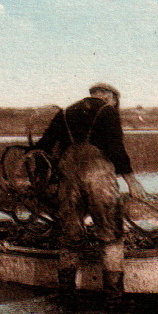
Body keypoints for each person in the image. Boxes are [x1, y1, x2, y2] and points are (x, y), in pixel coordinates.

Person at [34, 83, 146, 302]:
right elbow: (116, 149)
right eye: (116, 101)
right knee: (111, 235)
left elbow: (42, 146)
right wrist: (131, 181)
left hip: (69, 182)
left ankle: (67, 298)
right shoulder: (107, 111)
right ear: (111, 97)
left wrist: (46, 182)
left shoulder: (65, 113)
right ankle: (113, 301)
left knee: (70, 237)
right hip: (98, 179)